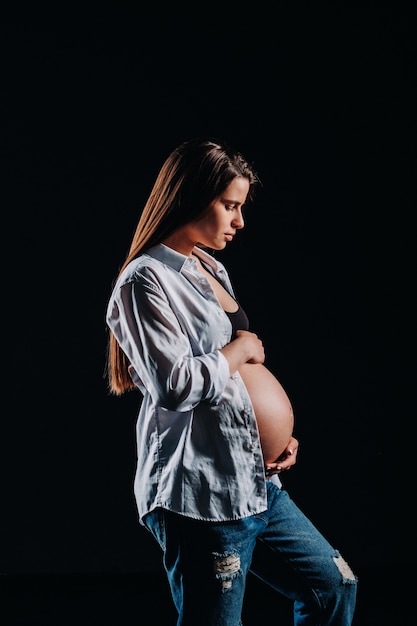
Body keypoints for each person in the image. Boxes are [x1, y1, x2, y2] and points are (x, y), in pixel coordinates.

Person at [105, 137, 357, 625]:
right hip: (202, 497)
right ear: (192, 197)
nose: (240, 221)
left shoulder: (210, 267)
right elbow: (174, 385)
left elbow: (236, 392)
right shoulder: (145, 280)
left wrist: (273, 439)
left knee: (334, 587)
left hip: (258, 480)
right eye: (230, 206)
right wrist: (240, 347)